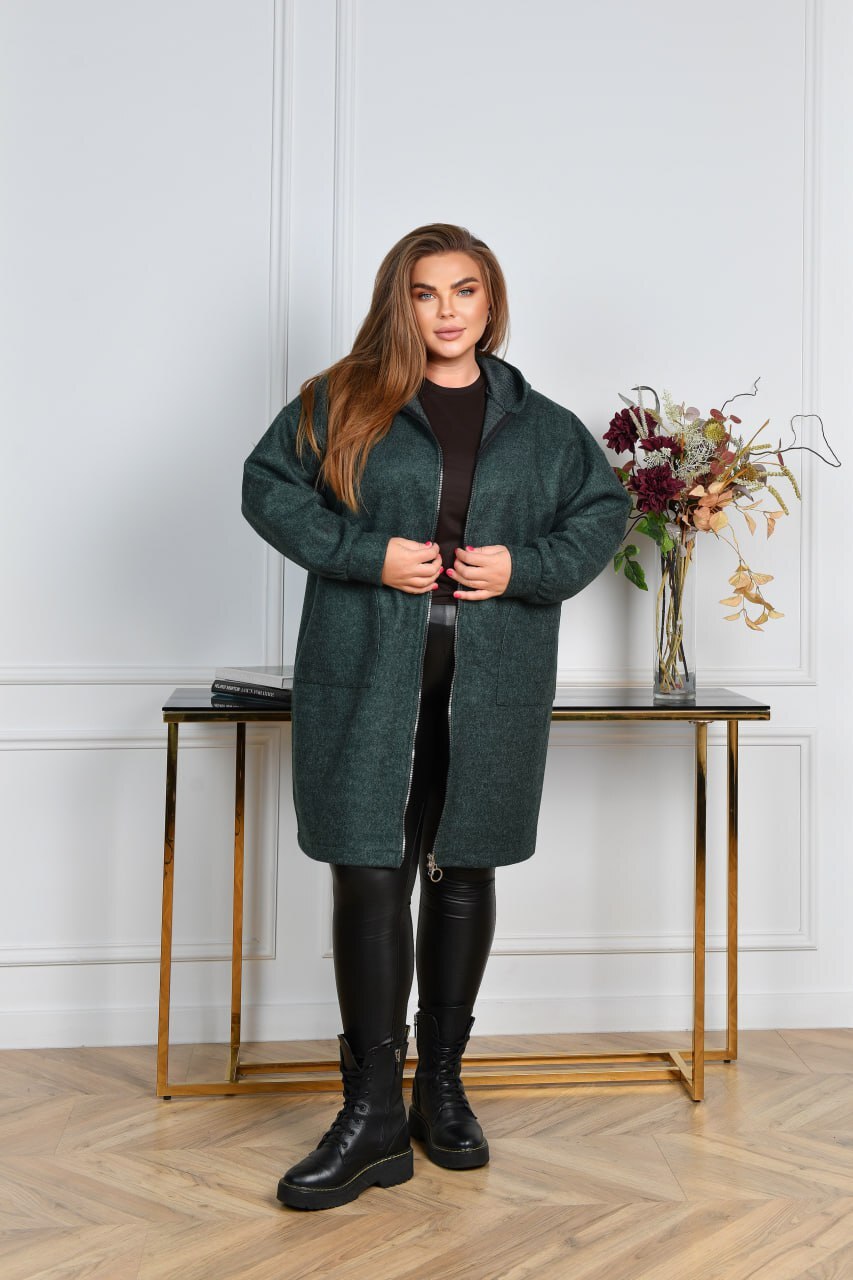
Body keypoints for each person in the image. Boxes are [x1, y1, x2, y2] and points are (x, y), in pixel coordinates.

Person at [241, 223, 631, 1211]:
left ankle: (440, 1088)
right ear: (399, 304)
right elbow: (266, 487)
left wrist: (524, 568)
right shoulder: (343, 399)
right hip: (366, 672)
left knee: (463, 867)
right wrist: (364, 553)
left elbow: (603, 512)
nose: (447, 310)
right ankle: (371, 1112)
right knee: (369, 870)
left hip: (489, 681)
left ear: (490, 302)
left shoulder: (541, 425)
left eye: (465, 290)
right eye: (425, 292)